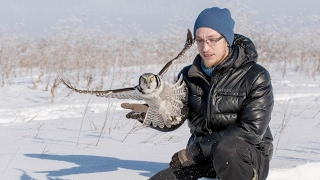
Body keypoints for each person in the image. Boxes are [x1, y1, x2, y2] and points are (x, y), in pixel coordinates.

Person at [121, 7, 273, 180]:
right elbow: (175, 118)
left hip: (245, 158)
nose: (205, 48)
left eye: (212, 40)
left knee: (227, 147)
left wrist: (194, 151)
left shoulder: (255, 76)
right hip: (203, 158)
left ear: (227, 40)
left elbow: (251, 131)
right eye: (199, 40)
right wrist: (153, 113)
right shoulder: (188, 75)